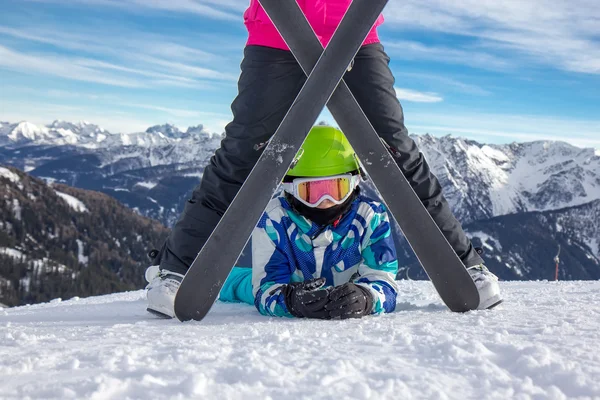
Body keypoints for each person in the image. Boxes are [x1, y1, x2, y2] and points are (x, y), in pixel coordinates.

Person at [145, 0, 503, 318]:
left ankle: (466, 264)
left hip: (354, 32)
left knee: (393, 151)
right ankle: (177, 269)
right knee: (243, 153)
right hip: (277, 32)